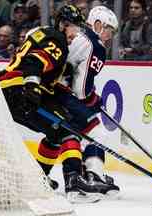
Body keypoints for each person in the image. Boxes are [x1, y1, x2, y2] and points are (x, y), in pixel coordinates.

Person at [0, 4, 101, 200]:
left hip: (11, 90)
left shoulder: (46, 35)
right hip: (19, 90)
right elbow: (34, 63)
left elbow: (39, 68)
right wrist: (32, 87)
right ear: (64, 24)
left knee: (55, 133)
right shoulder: (57, 40)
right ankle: (74, 182)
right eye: (75, 28)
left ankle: (40, 180)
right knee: (68, 128)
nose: (77, 34)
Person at [50, 5, 120, 199]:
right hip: (63, 93)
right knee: (96, 131)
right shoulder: (95, 44)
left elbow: (76, 74)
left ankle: (56, 174)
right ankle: (93, 176)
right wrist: (92, 99)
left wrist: (89, 95)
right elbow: (81, 89)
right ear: (97, 25)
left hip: (52, 90)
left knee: (64, 135)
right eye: (108, 30)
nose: (110, 35)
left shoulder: (78, 37)